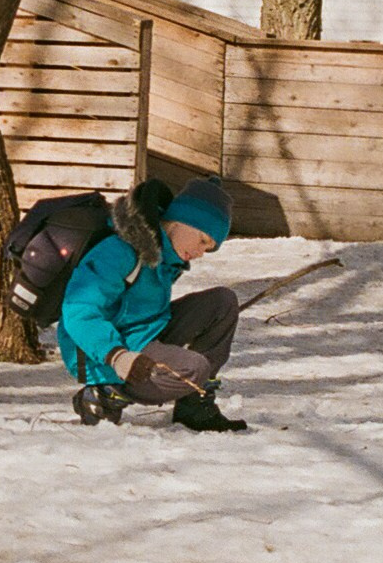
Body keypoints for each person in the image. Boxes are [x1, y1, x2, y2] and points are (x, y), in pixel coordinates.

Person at [56, 176, 248, 433]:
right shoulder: (120, 251)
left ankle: (194, 405)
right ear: (182, 221)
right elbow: (78, 310)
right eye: (202, 240)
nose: (202, 252)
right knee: (195, 368)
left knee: (222, 302)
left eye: (209, 248)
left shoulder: (166, 257)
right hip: (103, 351)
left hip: (144, 334)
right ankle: (105, 394)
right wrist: (117, 356)